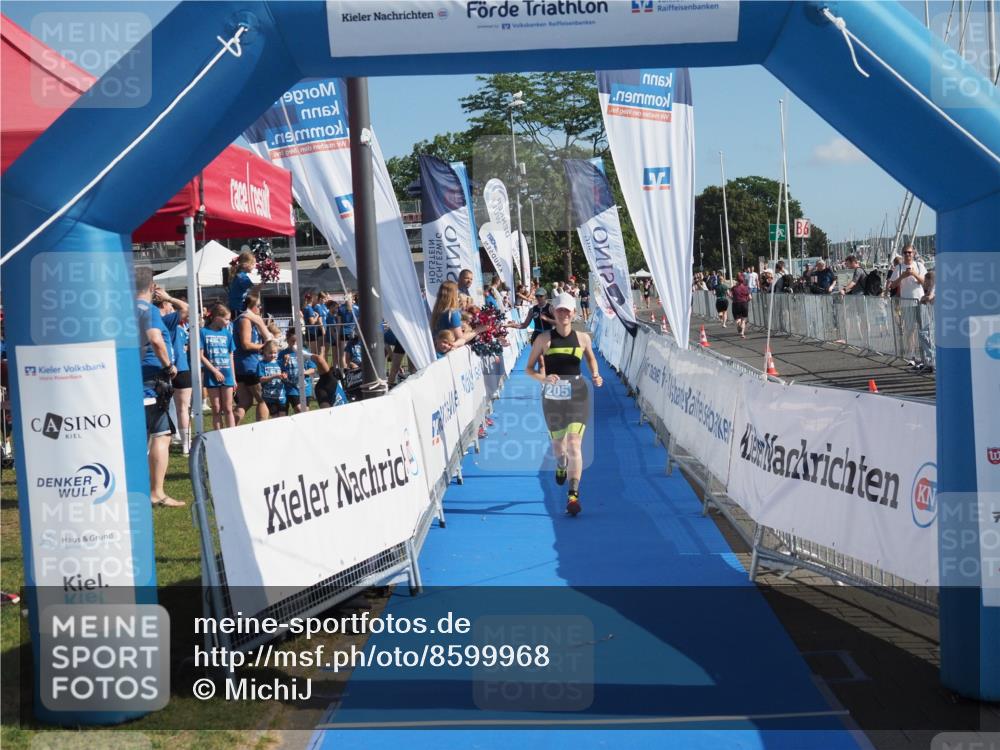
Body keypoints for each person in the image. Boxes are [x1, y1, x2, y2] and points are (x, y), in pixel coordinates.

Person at [526, 293, 603, 516]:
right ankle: (560, 465)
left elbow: (590, 358)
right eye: (560, 310)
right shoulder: (544, 340)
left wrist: (596, 374)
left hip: (578, 392)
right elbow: (529, 369)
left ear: (574, 313)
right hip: (553, 395)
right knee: (559, 447)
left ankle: (573, 495)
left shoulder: (583, 338)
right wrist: (544, 378)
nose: (564, 314)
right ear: (554, 313)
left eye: (567, 311)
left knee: (574, 444)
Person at [135, 267, 184, 508]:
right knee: (160, 435)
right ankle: (156, 492)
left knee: (138, 435)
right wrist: (169, 366)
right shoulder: (149, 310)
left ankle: (138, 488)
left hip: (132, 378)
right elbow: (155, 339)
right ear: (153, 288)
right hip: (153, 379)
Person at [155, 290, 191, 455]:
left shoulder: (152, 321)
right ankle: (185, 444)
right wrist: (168, 297)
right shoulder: (167, 320)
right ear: (163, 304)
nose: (172, 306)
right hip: (179, 367)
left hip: (162, 367)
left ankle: (167, 440)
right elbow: (186, 307)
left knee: (162, 408)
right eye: (170, 304)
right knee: (182, 408)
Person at [233, 292, 273, 423]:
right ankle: (262, 429)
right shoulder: (245, 320)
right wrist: (263, 347)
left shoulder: (248, 320)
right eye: (259, 306)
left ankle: (230, 429)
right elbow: (245, 344)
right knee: (263, 399)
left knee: (246, 401)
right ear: (252, 306)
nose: (260, 308)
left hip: (243, 364)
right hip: (249, 365)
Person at [201, 304, 237, 431]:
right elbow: (201, 356)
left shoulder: (227, 334)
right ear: (216, 318)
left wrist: (233, 378)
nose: (228, 322)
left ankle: (232, 434)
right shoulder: (203, 332)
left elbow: (230, 355)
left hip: (227, 375)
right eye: (226, 319)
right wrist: (214, 371)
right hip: (212, 375)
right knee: (216, 408)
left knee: (228, 408)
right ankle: (218, 435)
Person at [432, 281, 483, 345]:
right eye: (457, 291)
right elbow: (460, 339)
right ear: (453, 294)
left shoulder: (437, 311)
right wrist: (478, 330)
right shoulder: (452, 312)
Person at [281, 327, 316, 412]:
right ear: (288, 340)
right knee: (299, 409)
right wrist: (284, 362)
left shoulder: (305, 352)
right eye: (292, 341)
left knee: (305, 411)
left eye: (297, 341)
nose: (295, 343)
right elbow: (279, 369)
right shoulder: (282, 354)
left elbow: (312, 369)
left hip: (305, 386)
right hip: (291, 387)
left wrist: (303, 373)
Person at [257, 340, 287, 419]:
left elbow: (284, 374)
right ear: (265, 352)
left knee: (283, 418)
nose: (273, 355)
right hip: (269, 398)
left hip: (281, 396)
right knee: (275, 419)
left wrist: (284, 376)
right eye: (270, 353)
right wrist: (274, 376)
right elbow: (261, 379)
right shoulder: (261, 364)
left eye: (275, 353)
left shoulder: (279, 363)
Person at [914, 269, 935, 373]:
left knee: (924, 334)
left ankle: (933, 360)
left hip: (937, 318)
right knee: (926, 335)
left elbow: (929, 297)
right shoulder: (932, 287)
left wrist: (923, 298)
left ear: (929, 281)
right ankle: (930, 360)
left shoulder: (934, 287)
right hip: (934, 318)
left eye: (925, 281)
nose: (924, 283)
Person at [228, 250, 256, 314]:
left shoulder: (239, 275)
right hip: (238, 309)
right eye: (253, 264)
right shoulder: (242, 277)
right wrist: (264, 280)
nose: (254, 267)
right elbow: (254, 290)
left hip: (236, 308)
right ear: (245, 265)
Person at [731, 273, 752, 338]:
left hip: (736, 304)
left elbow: (730, 296)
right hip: (744, 303)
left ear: (737, 280)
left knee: (738, 318)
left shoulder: (733, 288)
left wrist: (732, 298)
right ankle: (742, 333)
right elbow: (750, 297)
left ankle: (738, 323)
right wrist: (746, 301)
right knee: (743, 319)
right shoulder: (746, 288)